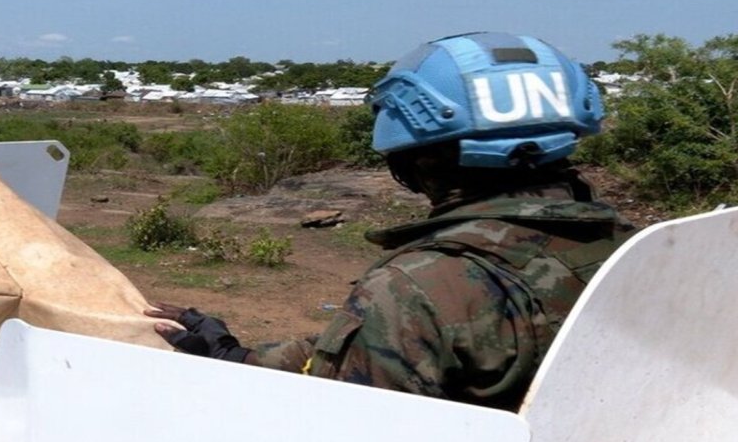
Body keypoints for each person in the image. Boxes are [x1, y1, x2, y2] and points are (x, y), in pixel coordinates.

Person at [146, 32, 637, 410]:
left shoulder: (417, 289)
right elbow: (366, 352)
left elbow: (348, 435)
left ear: (411, 158)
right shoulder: (633, 249)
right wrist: (237, 358)